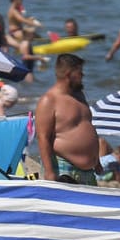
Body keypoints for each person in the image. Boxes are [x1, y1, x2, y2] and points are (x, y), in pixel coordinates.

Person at [33, 54, 98, 183]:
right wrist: (49, 172)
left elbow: (86, 126)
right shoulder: (49, 100)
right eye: (80, 72)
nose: (83, 76)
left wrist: (97, 160)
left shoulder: (79, 95)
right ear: (69, 74)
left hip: (88, 171)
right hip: (64, 169)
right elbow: (42, 137)